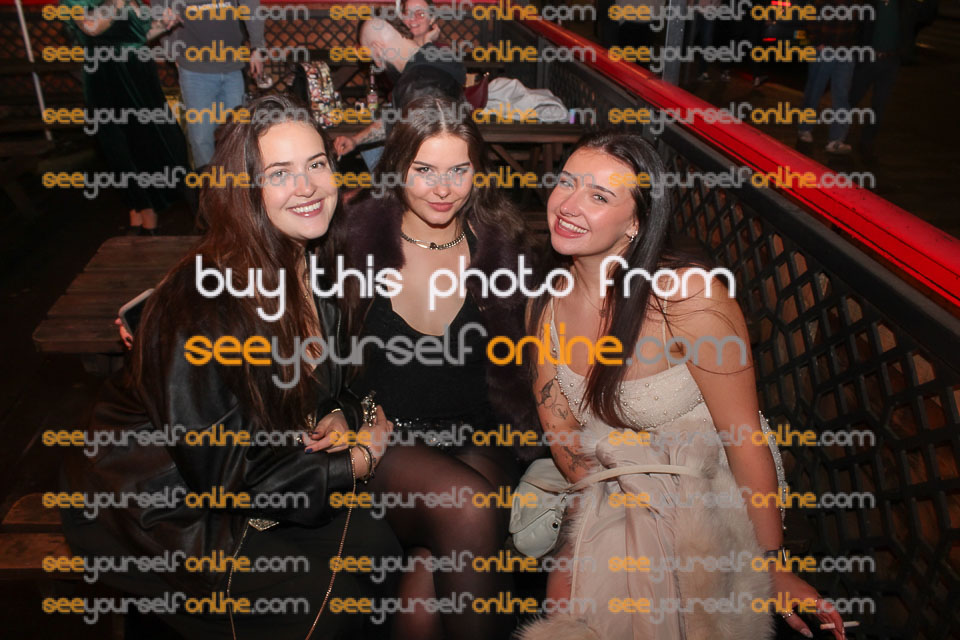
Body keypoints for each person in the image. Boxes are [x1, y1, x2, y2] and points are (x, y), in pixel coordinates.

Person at [61, 94, 399, 639]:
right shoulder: (201, 302)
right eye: (279, 173)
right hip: (165, 507)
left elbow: (338, 378)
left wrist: (339, 413)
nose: (307, 186)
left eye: (316, 164)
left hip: (263, 472)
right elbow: (222, 476)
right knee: (336, 604)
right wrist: (355, 462)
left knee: (383, 550)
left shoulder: (316, 261)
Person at [519, 132, 847, 639]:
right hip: (611, 478)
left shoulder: (688, 299)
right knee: (571, 597)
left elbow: (743, 437)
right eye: (567, 183)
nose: (569, 205)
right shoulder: (544, 305)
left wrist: (770, 563)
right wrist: (610, 508)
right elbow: (563, 436)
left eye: (599, 196)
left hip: (708, 482)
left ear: (636, 222)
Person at [321, 96, 536, 640]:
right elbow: (287, 306)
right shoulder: (352, 240)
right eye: (424, 170)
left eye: (458, 170)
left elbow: (536, 347)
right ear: (398, 168)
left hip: (480, 438)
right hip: (387, 439)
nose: (443, 189)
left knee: (422, 600)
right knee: (465, 506)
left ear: (477, 172)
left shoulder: (501, 246)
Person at [64, 0, 190, 234]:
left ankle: (141, 210)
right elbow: (91, 26)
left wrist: (164, 24)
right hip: (108, 74)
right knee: (121, 146)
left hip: (139, 73)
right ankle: (144, 213)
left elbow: (138, 35)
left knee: (155, 140)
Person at [332, 18, 465, 165]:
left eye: (371, 56)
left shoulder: (415, 84)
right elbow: (396, 118)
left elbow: (420, 153)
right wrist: (355, 140)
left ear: (377, 48)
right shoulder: (435, 59)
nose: (376, 63)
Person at [158, 0, 266, 168]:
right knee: (201, 137)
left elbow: (251, 6)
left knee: (236, 134)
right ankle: (207, 183)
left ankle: (233, 182)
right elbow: (160, 8)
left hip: (232, 66)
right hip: (194, 69)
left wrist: (257, 47)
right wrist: (171, 52)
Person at [797, 0, 858, 154]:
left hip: (846, 49)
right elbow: (810, 12)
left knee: (842, 95)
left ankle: (836, 140)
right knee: (815, 89)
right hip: (824, 48)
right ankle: (805, 127)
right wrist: (817, 40)